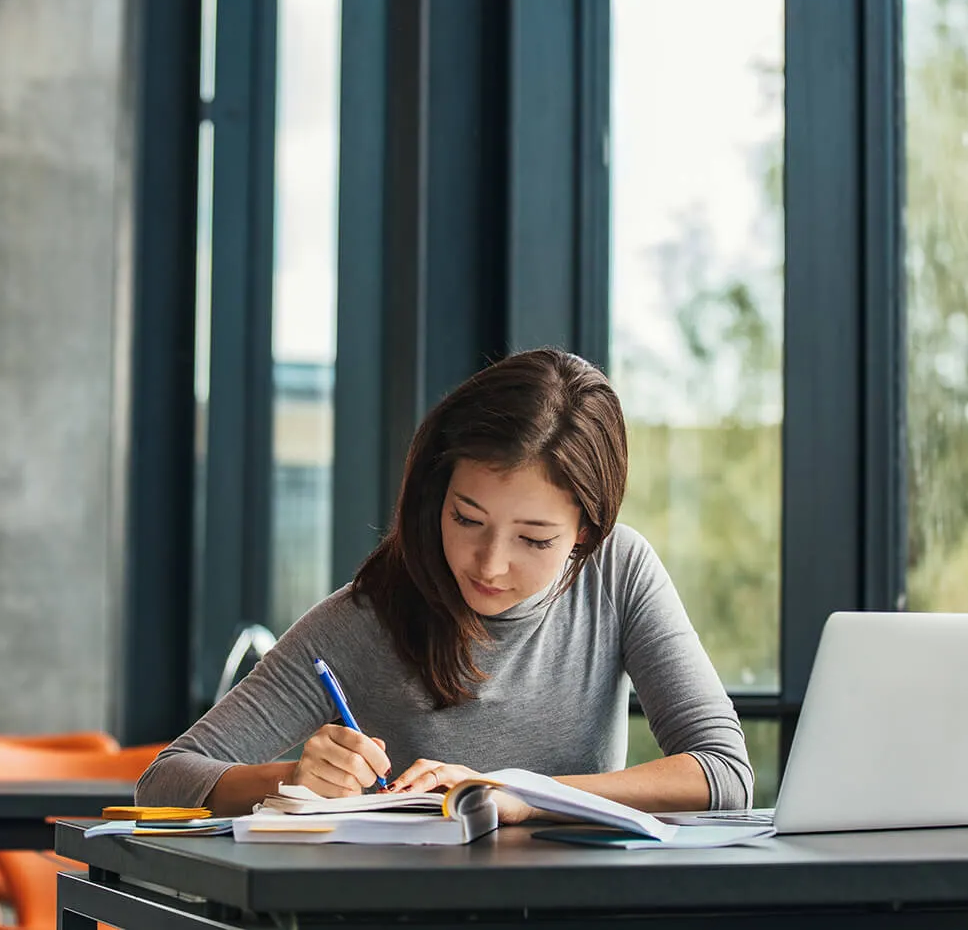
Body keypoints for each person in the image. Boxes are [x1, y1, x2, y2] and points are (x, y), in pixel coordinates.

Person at [136, 348, 752, 822]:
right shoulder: (367, 617)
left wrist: (518, 793)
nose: (489, 564)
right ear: (436, 496)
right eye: (466, 519)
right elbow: (163, 780)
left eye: (534, 540)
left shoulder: (617, 573)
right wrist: (291, 778)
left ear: (586, 533)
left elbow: (723, 773)